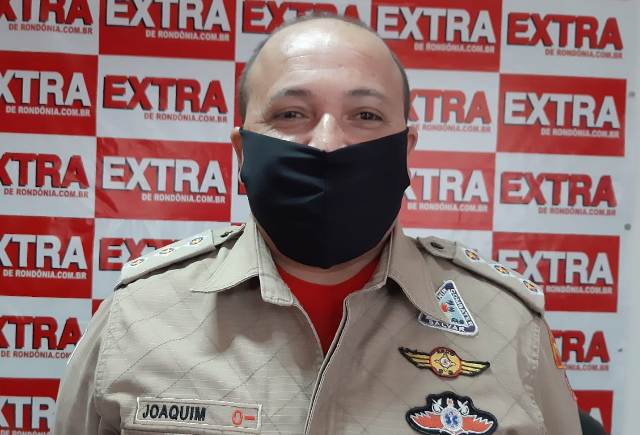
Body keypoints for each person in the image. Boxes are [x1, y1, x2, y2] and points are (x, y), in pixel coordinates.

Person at [55, 14, 583, 435]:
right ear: (242, 150)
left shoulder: (508, 326)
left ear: (406, 149)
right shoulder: (139, 316)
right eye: (291, 114)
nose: (328, 143)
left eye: (366, 116)